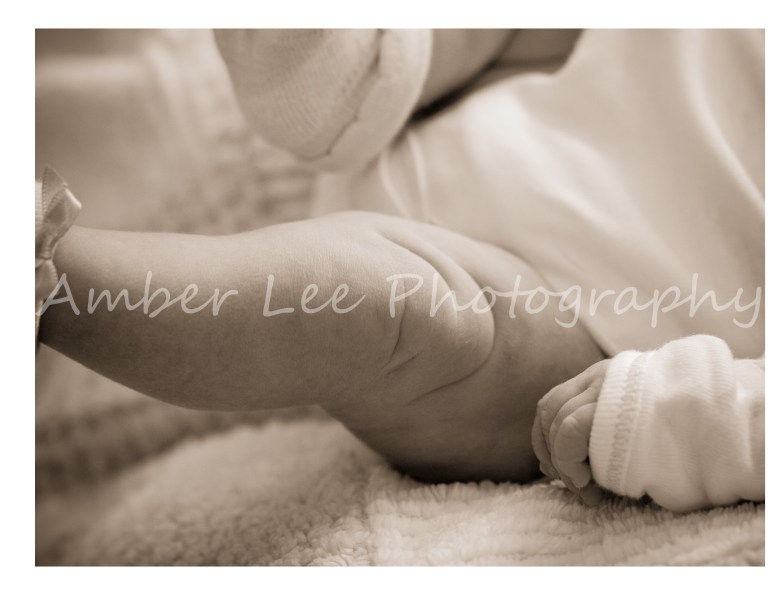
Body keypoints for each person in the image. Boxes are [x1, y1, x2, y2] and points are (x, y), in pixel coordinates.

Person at [36, 29, 764, 512]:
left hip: (574, 321)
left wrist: (672, 411)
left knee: (386, 314)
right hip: (590, 69)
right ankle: (348, 72)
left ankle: (46, 268)